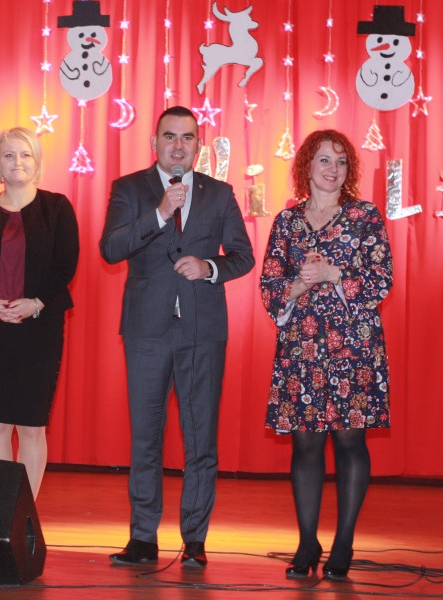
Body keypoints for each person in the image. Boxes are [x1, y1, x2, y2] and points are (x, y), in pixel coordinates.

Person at [100, 106, 254, 567]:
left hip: (203, 331)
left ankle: (195, 539)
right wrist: (160, 213)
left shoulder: (219, 193)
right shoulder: (129, 188)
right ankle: (143, 538)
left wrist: (209, 267)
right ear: (155, 143)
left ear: (198, 146)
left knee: (200, 439)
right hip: (146, 331)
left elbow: (243, 256)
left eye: (187, 138)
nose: (178, 145)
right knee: (146, 437)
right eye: (170, 136)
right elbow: (111, 248)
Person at [260, 129, 392, 581]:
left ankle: (344, 542)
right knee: (305, 443)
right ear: (306, 166)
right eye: (324, 160)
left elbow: (382, 279)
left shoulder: (364, 215)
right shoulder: (286, 221)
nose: (333, 169)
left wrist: (335, 273)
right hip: (302, 345)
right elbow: (270, 285)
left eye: (341, 161)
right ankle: (307, 541)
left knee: (350, 440)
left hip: (353, 345)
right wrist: (302, 282)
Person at [0, 127, 79, 498]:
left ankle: (24, 513)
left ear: (36, 162)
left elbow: (66, 264)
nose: (17, 162)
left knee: (31, 426)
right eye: (9, 155)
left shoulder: (57, 208)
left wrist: (35, 302)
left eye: (25, 154)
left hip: (39, 329)